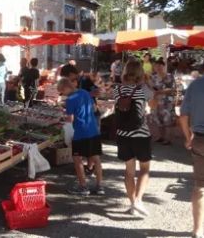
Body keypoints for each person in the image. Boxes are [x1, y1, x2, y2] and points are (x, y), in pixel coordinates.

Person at [114, 60, 156, 217]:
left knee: (129, 170)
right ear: (140, 73)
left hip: (123, 134)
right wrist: (148, 82)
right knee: (145, 169)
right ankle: (138, 201)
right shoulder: (144, 89)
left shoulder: (117, 89)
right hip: (141, 134)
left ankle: (132, 204)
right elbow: (154, 104)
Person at [57, 78, 104, 196]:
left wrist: (62, 118)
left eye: (62, 92)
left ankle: (83, 186)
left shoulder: (70, 99)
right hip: (93, 130)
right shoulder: (84, 92)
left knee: (77, 159)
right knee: (96, 159)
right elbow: (94, 108)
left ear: (65, 88)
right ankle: (99, 186)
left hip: (81, 132)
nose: (62, 94)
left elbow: (70, 119)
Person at [179, 75, 204, 238]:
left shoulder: (195, 85)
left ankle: (197, 230)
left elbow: (183, 116)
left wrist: (188, 138)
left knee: (200, 187)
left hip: (200, 140)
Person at [150, 60, 176, 145]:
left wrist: (159, 92)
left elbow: (172, 89)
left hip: (167, 102)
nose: (157, 67)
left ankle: (168, 139)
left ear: (163, 66)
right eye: (156, 66)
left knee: (167, 120)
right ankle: (161, 137)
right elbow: (151, 88)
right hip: (156, 101)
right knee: (158, 120)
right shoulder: (153, 77)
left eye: (159, 66)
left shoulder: (169, 76)